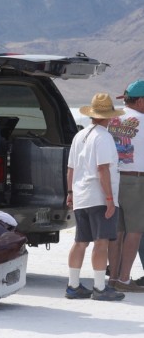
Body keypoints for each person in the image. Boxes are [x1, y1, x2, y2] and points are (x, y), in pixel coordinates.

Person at [65, 93, 125, 301]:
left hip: (81, 194)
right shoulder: (104, 137)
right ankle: (100, 287)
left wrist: (70, 193)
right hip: (98, 196)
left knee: (80, 241)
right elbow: (103, 169)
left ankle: (73, 285)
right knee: (102, 241)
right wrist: (109, 198)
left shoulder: (79, 136)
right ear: (108, 116)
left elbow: (70, 169)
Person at [107, 79, 144, 292]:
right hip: (136, 179)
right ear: (140, 101)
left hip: (113, 178)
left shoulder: (112, 119)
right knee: (135, 231)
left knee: (118, 231)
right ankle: (124, 279)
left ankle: (112, 277)